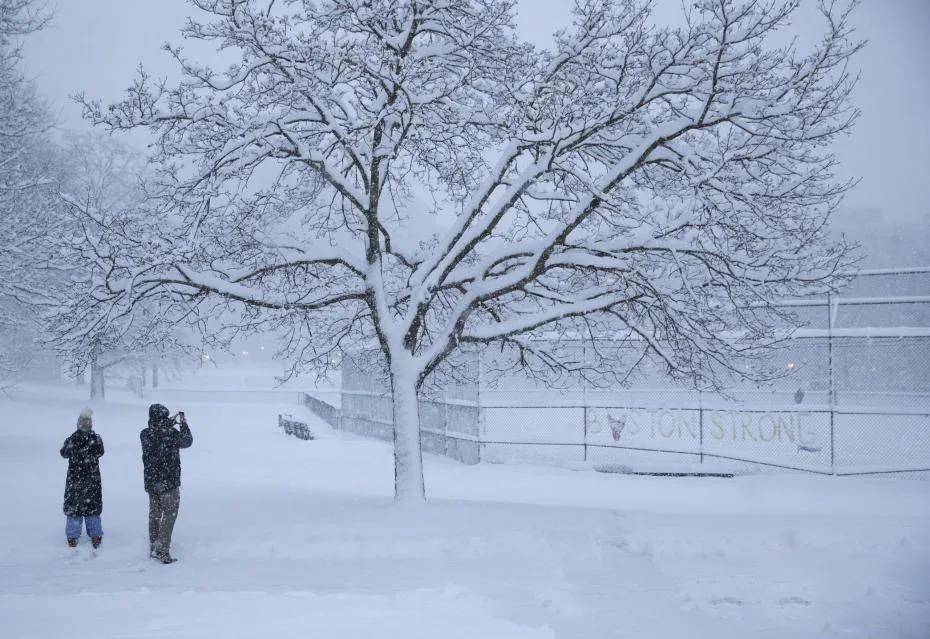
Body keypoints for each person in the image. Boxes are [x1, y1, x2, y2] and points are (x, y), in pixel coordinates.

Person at [140, 403, 192, 563]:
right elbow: (187, 441)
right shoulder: (171, 433)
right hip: (168, 483)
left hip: (152, 482)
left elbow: (158, 433)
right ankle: (162, 550)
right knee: (169, 514)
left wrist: (166, 423)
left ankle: (154, 546)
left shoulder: (145, 433)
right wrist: (183, 424)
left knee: (154, 515)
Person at [60, 408, 105, 549]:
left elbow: (64, 452)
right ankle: (93, 535)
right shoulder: (92, 438)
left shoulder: (76, 439)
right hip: (87, 479)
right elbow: (64, 453)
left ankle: (77, 536)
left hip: (79, 479)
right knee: (89, 508)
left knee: (77, 508)